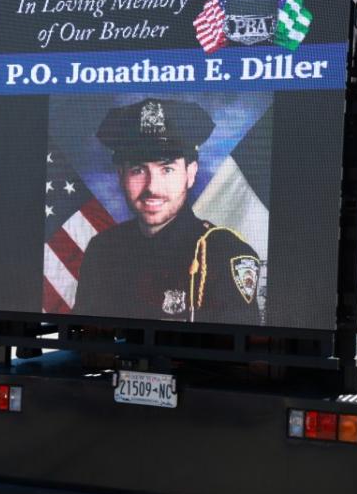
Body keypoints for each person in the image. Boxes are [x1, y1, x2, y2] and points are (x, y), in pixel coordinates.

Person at [74, 97, 261, 324]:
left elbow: (232, 351)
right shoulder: (103, 249)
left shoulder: (222, 253)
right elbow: (87, 338)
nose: (152, 187)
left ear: (190, 173)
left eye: (167, 169)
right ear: (120, 175)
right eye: (138, 170)